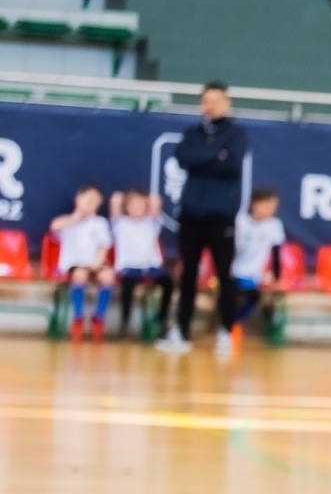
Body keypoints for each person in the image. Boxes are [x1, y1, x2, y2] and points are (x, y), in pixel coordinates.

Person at [158, 80, 249, 356]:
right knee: (187, 274)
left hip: (221, 216)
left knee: (224, 274)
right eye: (207, 100)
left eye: (216, 100)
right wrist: (214, 156)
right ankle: (182, 331)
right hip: (191, 214)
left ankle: (226, 330)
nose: (211, 105)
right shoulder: (192, 132)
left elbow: (231, 162)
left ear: (226, 102)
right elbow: (183, 158)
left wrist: (205, 159)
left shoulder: (237, 133)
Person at [50, 183, 114, 343]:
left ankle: (98, 318)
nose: (91, 204)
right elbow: (54, 228)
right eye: (88, 200)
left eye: (96, 202)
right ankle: (78, 317)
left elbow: (103, 246)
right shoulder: (66, 221)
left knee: (108, 276)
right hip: (73, 264)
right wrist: (77, 217)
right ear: (78, 198)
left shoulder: (100, 222)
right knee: (80, 275)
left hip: (94, 264)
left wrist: (97, 263)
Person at [109, 187, 174, 339]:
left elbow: (156, 201)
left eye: (140, 205)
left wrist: (145, 200)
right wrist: (123, 198)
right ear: (126, 207)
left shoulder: (151, 223)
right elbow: (115, 200)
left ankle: (162, 320)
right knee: (128, 285)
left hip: (150, 266)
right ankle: (125, 323)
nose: (137, 208)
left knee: (168, 283)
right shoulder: (120, 223)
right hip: (129, 267)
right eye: (133, 205)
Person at [230, 185, 285, 349]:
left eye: (274, 206)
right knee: (228, 295)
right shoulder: (240, 222)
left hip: (253, 276)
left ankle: (232, 323)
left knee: (253, 296)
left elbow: (276, 253)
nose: (271, 209)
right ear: (255, 204)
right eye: (268, 205)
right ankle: (227, 325)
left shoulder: (274, 226)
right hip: (232, 273)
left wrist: (276, 277)